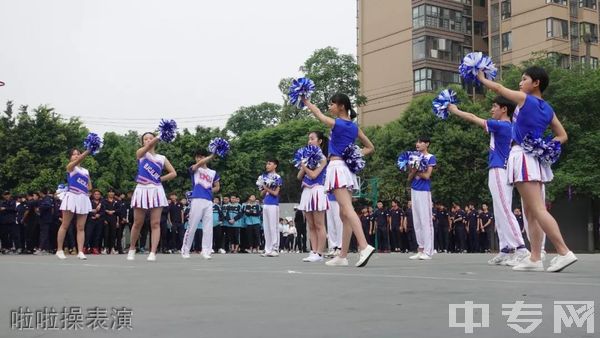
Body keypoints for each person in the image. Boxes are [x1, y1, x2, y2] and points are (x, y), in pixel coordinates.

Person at [477, 66, 576, 272]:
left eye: (524, 79)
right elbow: (562, 135)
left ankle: (564, 251)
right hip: (535, 158)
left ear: (536, 83)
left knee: (537, 210)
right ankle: (535, 258)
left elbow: (498, 88)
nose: (520, 83)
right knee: (530, 213)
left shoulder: (524, 99)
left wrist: (480, 77)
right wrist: (546, 146)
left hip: (522, 156)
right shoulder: (548, 108)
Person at [448, 96, 529, 264]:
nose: (492, 110)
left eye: (494, 106)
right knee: (499, 210)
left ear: (504, 109)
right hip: (502, 169)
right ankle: (506, 249)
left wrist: (454, 110)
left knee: (505, 210)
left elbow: (472, 117)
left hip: (499, 169)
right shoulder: (510, 126)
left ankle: (521, 249)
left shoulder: (501, 125)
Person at [303, 93, 375, 267]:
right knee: (344, 214)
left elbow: (319, 115)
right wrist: (353, 155)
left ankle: (364, 246)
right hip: (347, 169)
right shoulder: (354, 126)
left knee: (347, 209)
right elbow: (370, 147)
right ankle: (342, 255)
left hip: (337, 168)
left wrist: (306, 102)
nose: (330, 107)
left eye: (332, 104)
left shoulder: (339, 123)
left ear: (341, 106)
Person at [127, 132, 177, 262]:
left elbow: (173, 173)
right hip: (142, 189)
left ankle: (153, 252)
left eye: (151, 138)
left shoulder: (162, 158)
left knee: (155, 223)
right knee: (138, 222)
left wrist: (160, 178)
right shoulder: (142, 153)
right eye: (145, 139)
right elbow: (140, 153)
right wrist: (158, 136)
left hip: (156, 190)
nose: (148, 140)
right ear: (142, 142)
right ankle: (132, 248)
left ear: (156, 141)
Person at [297, 131, 329, 262]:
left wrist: (305, 166)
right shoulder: (305, 157)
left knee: (319, 224)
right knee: (310, 225)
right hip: (306, 191)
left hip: (317, 190)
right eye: (308, 139)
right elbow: (299, 176)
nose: (309, 141)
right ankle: (313, 251)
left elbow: (314, 175)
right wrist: (303, 164)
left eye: (312, 138)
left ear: (320, 141)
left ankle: (320, 253)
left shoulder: (323, 158)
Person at [181, 149, 220, 260]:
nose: (199, 159)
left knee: (208, 227)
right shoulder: (195, 169)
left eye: (201, 157)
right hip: (197, 199)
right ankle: (185, 250)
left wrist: (209, 189)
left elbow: (217, 187)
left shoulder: (213, 172)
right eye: (197, 157)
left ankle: (206, 251)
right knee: (192, 225)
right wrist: (212, 155)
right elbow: (197, 165)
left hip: (208, 200)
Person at [55, 149, 92, 260]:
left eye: (78, 154)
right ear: (70, 157)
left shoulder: (85, 171)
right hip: (71, 196)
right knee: (65, 224)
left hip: (82, 197)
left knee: (81, 227)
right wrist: (88, 151)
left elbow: (89, 186)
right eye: (73, 154)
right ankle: (59, 250)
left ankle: (80, 251)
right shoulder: (71, 167)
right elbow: (77, 162)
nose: (76, 156)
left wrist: (84, 187)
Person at [407, 136, 436, 260]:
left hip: (424, 191)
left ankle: (429, 250)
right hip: (414, 189)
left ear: (427, 144)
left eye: (420, 142)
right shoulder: (413, 157)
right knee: (417, 221)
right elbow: (409, 178)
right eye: (417, 141)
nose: (417, 144)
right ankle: (420, 249)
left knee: (426, 220)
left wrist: (417, 170)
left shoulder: (430, 157)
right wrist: (413, 170)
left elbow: (427, 175)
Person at [259, 159, 283, 257]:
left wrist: (267, 187)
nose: (267, 165)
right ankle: (267, 249)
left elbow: (276, 193)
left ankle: (275, 248)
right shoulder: (263, 177)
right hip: (265, 204)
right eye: (267, 163)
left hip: (273, 204)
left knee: (273, 226)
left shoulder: (278, 177)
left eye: (269, 163)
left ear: (275, 165)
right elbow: (261, 194)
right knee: (266, 227)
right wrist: (264, 188)